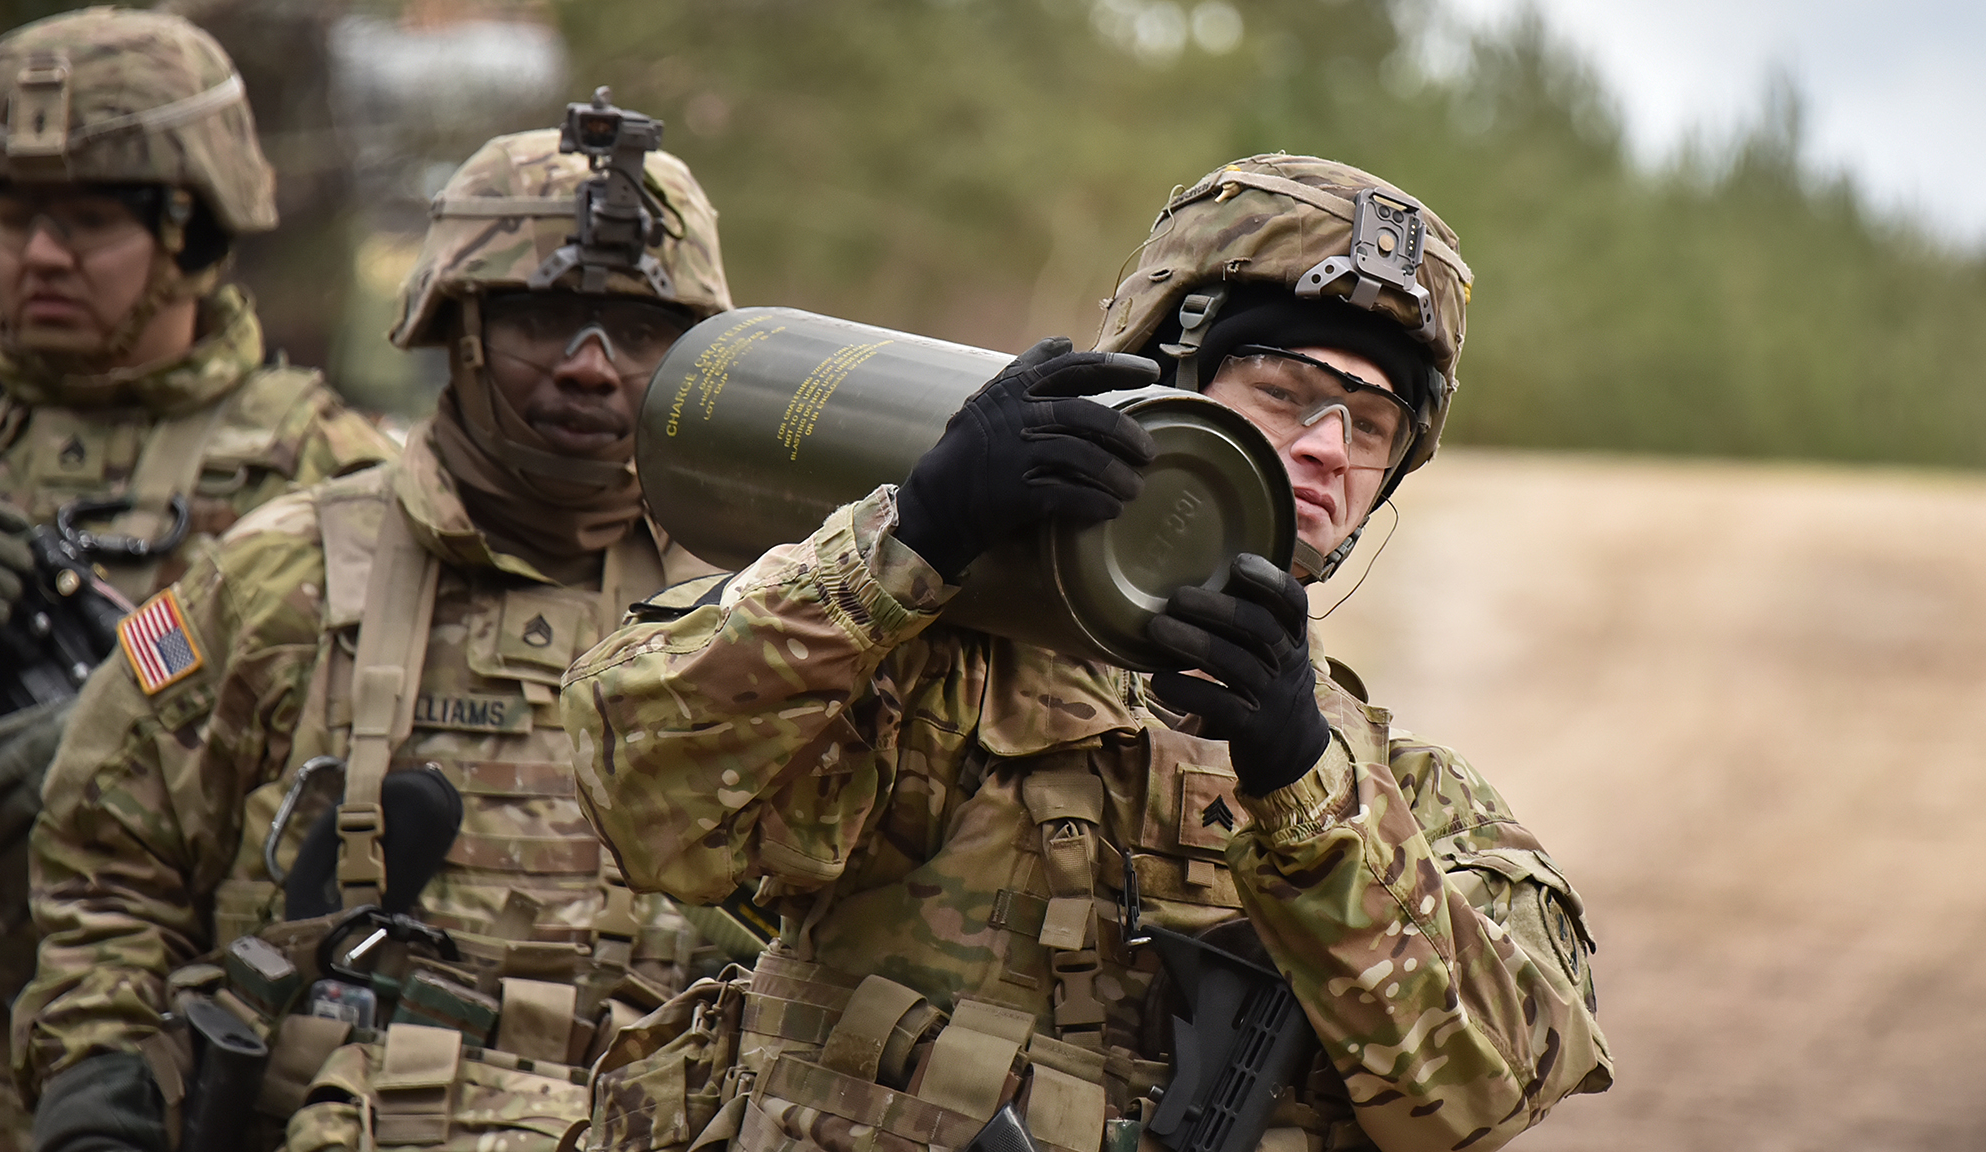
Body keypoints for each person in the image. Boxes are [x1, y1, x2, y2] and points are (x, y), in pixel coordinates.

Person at [561, 155, 1614, 1152]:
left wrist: (1303, 785)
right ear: (1163, 380)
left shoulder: (1409, 800)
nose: (1329, 448)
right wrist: (913, 542)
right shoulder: (936, 669)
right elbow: (648, 798)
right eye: (1285, 393)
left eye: (1373, 424)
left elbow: (1478, 1098)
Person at [14, 112, 736, 1152]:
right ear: (461, 327)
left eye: (636, 331)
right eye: (545, 319)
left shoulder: (754, 616)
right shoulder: (282, 577)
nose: (590, 368)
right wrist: (100, 1090)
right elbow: (107, 867)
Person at [0, 10, 393, 1150]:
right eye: (10, 216)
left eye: (88, 221)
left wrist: (123, 754)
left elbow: (401, 778)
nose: (37, 254)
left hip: (163, 1069)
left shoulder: (331, 474)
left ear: (189, 232)